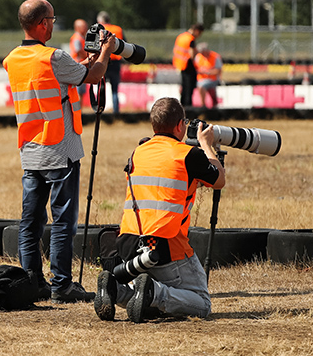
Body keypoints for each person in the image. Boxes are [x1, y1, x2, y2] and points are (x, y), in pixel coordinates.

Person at [3, 0, 115, 303]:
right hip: (59, 148)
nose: (54, 24)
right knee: (63, 220)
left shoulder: (12, 59)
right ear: (42, 24)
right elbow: (93, 76)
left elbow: (59, 77)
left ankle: (33, 282)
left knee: (31, 221)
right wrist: (105, 51)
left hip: (30, 148)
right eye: (52, 20)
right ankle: (62, 285)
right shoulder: (53, 56)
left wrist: (86, 60)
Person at [93, 97, 225, 323]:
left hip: (130, 244)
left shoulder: (138, 151)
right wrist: (206, 144)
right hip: (166, 246)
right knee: (202, 304)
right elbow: (219, 179)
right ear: (179, 126)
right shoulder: (187, 155)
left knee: (144, 298)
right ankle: (155, 292)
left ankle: (115, 289)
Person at [89, 11, 124, 115]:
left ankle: (99, 111)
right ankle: (116, 112)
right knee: (114, 89)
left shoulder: (97, 29)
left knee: (100, 87)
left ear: (100, 20)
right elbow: (123, 45)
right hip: (116, 62)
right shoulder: (118, 29)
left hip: (103, 61)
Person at [173, 23, 205, 107]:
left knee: (184, 88)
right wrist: (197, 52)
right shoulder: (191, 39)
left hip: (180, 65)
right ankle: (188, 107)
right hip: (188, 65)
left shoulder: (181, 37)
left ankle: (182, 106)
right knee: (189, 89)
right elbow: (191, 55)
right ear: (197, 31)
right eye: (200, 33)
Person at [194, 42, 222, 108]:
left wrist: (207, 72)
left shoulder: (215, 57)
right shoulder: (198, 57)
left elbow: (218, 71)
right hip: (200, 79)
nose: (202, 54)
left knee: (201, 86)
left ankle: (203, 105)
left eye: (203, 52)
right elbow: (195, 69)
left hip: (213, 79)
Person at [69, 19, 90, 106]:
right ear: (77, 28)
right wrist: (89, 57)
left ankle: (79, 113)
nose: (86, 28)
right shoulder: (77, 38)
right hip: (78, 66)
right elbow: (79, 51)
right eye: (84, 26)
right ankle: (78, 113)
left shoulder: (80, 37)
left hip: (81, 66)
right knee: (78, 92)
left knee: (80, 92)